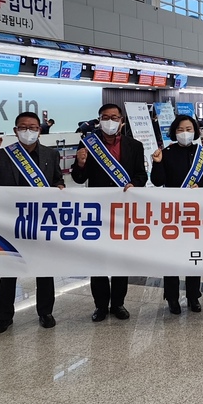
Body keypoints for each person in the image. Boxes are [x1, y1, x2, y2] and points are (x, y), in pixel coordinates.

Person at [0, 111, 65, 334]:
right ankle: (4, 317)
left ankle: (45, 312)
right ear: (15, 130)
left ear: (40, 129)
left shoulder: (50, 154)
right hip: (11, 220)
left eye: (33, 127)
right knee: (8, 269)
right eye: (24, 127)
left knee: (44, 268)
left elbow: (57, 179)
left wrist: (60, 187)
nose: (29, 131)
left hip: (41, 219)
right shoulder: (4, 154)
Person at [71, 104, 148, 321]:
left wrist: (134, 185)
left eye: (114, 117)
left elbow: (142, 176)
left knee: (120, 260)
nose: (110, 121)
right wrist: (80, 163)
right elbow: (78, 178)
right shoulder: (88, 143)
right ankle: (100, 306)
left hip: (124, 211)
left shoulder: (135, 145)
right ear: (99, 120)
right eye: (105, 117)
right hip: (98, 211)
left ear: (121, 120)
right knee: (98, 260)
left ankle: (118, 304)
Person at [150, 114, 203, 314]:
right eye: (180, 130)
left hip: (196, 213)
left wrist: (200, 185)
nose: (185, 133)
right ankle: (171, 298)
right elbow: (157, 180)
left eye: (188, 129)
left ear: (195, 131)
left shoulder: (202, 154)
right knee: (172, 257)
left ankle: (193, 296)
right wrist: (157, 163)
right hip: (172, 213)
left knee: (193, 256)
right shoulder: (167, 152)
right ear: (174, 132)